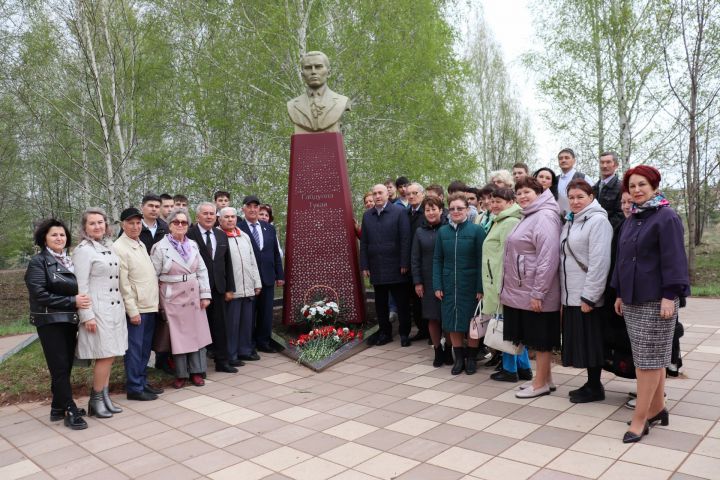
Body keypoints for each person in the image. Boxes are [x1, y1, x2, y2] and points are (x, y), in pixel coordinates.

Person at [612, 165, 690, 443]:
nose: (636, 190)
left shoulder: (666, 217)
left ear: (654, 186)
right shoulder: (632, 218)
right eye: (632, 186)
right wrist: (619, 292)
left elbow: (675, 259)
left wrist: (670, 295)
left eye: (642, 184)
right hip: (632, 298)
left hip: (657, 300)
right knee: (650, 359)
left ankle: (640, 418)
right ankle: (657, 409)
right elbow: (622, 259)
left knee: (646, 362)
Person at [25, 218, 90, 430]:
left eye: (62, 235)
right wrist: (72, 301)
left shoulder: (68, 260)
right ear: (44, 238)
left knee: (64, 366)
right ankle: (70, 409)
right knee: (60, 367)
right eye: (54, 234)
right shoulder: (38, 262)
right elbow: (39, 294)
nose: (59, 238)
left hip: (69, 320)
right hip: (50, 321)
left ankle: (56, 408)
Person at [500, 178, 562, 398]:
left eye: (527, 192)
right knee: (535, 337)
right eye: (519, 193)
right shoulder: (530, 215)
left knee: (541, 339)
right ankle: (545, 379)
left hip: (537, 291)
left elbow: (548, 258)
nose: (523, 196)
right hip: (523, 288)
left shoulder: (544, 216)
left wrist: (539, 292)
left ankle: (540, 384)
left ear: (539, 192)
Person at [559, 180, 613, 403]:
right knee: (582, 341)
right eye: (571, 197)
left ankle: (594, 387)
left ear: (591, 197)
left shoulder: (598, 221)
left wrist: (590, 295)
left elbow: (600, 261)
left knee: (590, 342)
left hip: (586, 295)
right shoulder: (571, 221)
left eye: (580, 196)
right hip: (570, 293)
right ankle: (591, 384)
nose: (575, 201)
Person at [73, 207, 128, 418]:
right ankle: (95, 401)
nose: (97, 226)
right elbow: (81, 287)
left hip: (114, 309)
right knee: (103, 356)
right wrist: (87, 315)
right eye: (92, 223)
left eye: (100, 222)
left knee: (110, 355)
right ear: (85, 227)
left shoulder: (108, 246)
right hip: (98, 310)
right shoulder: (83, 250)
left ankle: (104, 397)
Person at [151, 208, 214, 388]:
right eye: (176, 222)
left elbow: (201, 270)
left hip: (194, 296)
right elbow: (153, 276)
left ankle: (196, 372)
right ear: (170, 225)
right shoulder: (160, 247)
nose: (180, 225)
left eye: (184, 222)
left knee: (197, 336)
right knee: (178, 338)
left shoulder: (193, 245)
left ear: (188, 225)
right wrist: (157, 302)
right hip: (172, 298)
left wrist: (205, 295)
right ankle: (181, 374)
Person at [481, 188, 532, 383]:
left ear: (510, 202)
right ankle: (524, 367)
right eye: (492, 201)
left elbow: (507, 258)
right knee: (510, 326)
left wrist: (502, 287)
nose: (494, 205)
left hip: (502, 284)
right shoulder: (499, 220)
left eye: (499, 201)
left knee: (506, 326)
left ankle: (510, 369)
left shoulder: (509, 222)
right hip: (498, 282)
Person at [433, 193, 486, 375]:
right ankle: (459, 359)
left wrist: (480, 287)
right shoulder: (443, 232)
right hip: (448, 284)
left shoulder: (477, 231)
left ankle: (471, 359)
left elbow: (482, 260)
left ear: (467, 210)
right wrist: (437, 285)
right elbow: (437, 259)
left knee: (472, 322)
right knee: (452, 322)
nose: (456, 211)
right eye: (453, 208)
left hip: (469, 284)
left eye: (460, 208)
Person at [114, 207, 163, 401]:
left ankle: (142, 382)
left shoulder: (140, 243)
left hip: (149, 304)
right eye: (130, 223)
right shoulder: (119, 248)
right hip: (137, 308)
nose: (135, 226)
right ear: (122, 225)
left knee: (144, 349)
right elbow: (123, 284)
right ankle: (134, 387)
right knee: (134, 350)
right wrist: (132, 311)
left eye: (137, 223)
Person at [187, 202, 238, 373]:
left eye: (212, 213)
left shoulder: (220, 235)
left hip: (218, 288)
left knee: (220, 327)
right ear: (197, 216)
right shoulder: (189, 235)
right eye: (205, 213)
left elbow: (227, 262)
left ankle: (222, 361)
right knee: (198, 327)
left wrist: (230, 288)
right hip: (197, 289)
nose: (209, 216)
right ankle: (198, 367)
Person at [360, 184, 412, 346]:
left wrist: (404, 262)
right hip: (377, 267)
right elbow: (365, 242)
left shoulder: (399, 212)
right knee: (380, 304)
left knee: (402, 303)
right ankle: (385, 333)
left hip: (397, 266)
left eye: (380, 193)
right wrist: (365, 265)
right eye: (374, 193)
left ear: (387, 195)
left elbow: (405, 239)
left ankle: (404, 334)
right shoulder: (367, 216)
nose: (377, 196)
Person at [240, 195, 285, 354]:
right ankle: (249, 344)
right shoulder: (238, 228)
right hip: (248, 279)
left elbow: (274, 254)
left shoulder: (269, 228)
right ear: (243, 209)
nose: (253, 209)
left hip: (267, 277)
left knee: (266, 313)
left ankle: (263, 342)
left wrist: (280, 275)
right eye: (249, 206)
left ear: (259, 209)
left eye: (255, 206)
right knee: (249, 314)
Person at [219, 207, 262, 365]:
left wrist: (257, 283)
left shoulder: (244, 236)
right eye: (227, 217)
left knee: (246, 323)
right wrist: (225, 289)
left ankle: (244, 351)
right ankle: (231, 355)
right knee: (232, 325)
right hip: (232, 290)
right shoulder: (219, 236)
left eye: (233, 217)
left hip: (248, 287)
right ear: (220, 220)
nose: (230, 220)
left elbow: (252, 261)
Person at [412, 196, 449, 366]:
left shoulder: (449, 228)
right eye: (427, 210)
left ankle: (449, 348)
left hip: (447, 278)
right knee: (432, 318)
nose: (431, 212)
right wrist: (417, 282)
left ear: (441, 210)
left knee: (447, 317)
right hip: (427, 281)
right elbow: (415, 259)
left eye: (434, 209)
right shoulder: (420, 232)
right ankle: (437, 350)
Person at [287, 51, 350, 133]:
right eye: (308, 68)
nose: (313, 72)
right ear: (302, 75)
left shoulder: (342, 101)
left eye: (318, 67)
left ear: (329, 73)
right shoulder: (292, 105)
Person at [407, 182, 428, 341]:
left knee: (427, 298)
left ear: (422, 194)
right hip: (411, 261)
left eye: (415, 193)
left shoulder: (427, 211)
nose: (412, 196)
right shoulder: (405, 213)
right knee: (415, 299)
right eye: (409, 194)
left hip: (426, 260)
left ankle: (431, 331)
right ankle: (422, 330)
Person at [557, 148, 594, 216]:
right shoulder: (555, 180)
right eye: (560, 158)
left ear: (574, 161)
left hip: (580, 217)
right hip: (558, 219)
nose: (563, 160)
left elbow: (593, 200)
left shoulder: (584, 178)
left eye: (567, 158)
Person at [593, 151, 625, 229]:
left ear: (616, 165)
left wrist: (602, 227)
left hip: (611, 233)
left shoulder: (621, 187)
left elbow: (621, 214)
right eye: (602, 162)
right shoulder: (593, 188)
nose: (604, 165)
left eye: (608, 162)